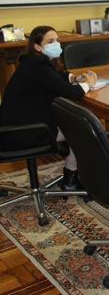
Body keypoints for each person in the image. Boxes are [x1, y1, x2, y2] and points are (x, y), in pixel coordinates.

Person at [0, 26, 97, 190]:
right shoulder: (38, 67)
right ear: (37, 46)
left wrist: (73, 77)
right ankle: (70, 180)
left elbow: (55, 77)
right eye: (50, 41)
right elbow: (73, 94)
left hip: (12, 128)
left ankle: (70, 173)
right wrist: (88, 83)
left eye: (57, 40)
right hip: (23, 133)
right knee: (84, 130)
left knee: (71, 125)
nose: (56, 44)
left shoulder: (33, 62)